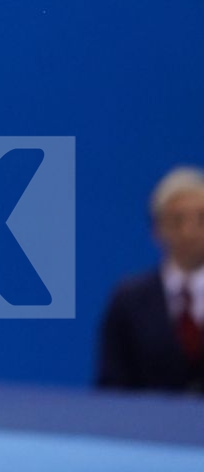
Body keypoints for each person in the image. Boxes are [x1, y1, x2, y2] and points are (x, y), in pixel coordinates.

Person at [97, 167, 204, 394]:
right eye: (177, 220)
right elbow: (111, 388)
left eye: (201, 219)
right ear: (158, 229)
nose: (189, 232)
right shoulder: (129, 301)